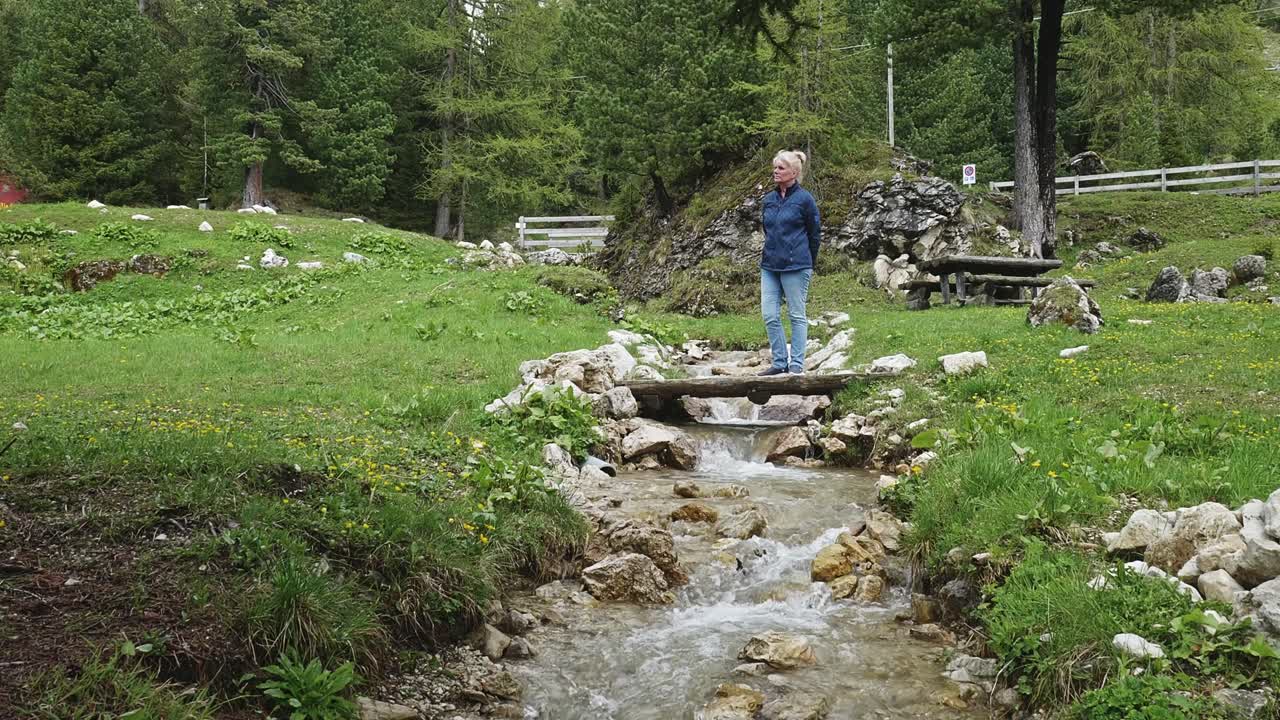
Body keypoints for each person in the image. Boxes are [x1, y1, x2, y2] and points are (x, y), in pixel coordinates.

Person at [758, 150, 820, 376]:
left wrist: (809, 262)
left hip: (796, 265)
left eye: (781, 168)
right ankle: (779, 362)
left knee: (796, 315)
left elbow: (814, 234)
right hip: (770, 266)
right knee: (770, 315)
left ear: (794, 172)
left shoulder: (805, 200)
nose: (776, 171)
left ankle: (796, 365)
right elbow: (767, 230)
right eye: (775, 167)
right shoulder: (769, 200)